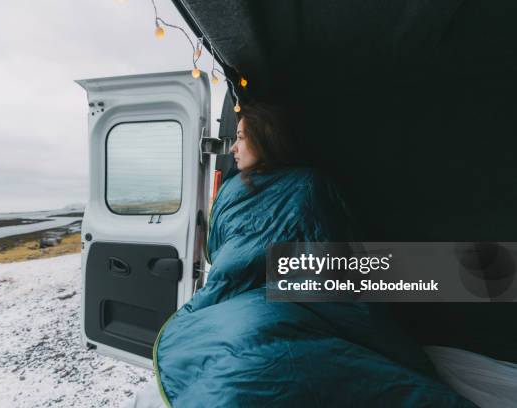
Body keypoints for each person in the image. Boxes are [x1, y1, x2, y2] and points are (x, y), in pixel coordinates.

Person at [131, 103, 476, 407]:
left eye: (241, 137)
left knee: (262, 360)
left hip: (299, 300)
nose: (233, 147)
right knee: (241, 345)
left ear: (266, 137)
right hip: (242, 297)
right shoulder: (236, 188)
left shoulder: (307, 186)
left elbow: (334, 259)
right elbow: (224, 253)